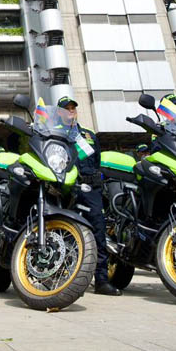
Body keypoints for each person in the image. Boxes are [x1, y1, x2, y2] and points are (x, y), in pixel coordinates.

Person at [58, 96, 121, 296]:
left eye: (73, 108)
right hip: (67, 188)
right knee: (65, 233)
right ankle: (65, 278)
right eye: (66, 109)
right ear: (59, 113)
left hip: (90, 187)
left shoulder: (88, 134)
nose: (71, 111)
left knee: (98, 232)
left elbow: (97, 160)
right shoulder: (56, 134)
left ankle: (101, 280)